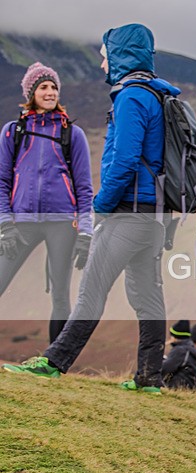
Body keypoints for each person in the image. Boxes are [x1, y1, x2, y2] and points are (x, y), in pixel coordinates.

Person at [2, 23, 180, 394]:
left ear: (120, 55)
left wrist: (100, 206)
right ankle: (150, 377)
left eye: (104, 56)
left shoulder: (132, 96)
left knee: (91, 290)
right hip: (154, 217)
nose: (102, 65)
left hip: (127, 213)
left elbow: (126, 159)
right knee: (147, 296)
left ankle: (53, 362)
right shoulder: (157, 94)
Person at [0, 62, 93, 343]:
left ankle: (54, 363)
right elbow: (2, 182)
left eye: (54, 87)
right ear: (31, 92)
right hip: (21, 223)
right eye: (43, 87)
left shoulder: (72, 134)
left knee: (61, 295)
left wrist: (86, 231)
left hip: (63, 224)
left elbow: (85, 188)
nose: (50, 92)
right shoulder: (12, 132)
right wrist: (5, 224)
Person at [162, 320, 196, 390]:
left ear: (175, 336)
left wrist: (159, 358)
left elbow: (165, 369)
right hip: (191, 388)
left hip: (180, 388)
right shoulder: (189, 349)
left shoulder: (180, 350)